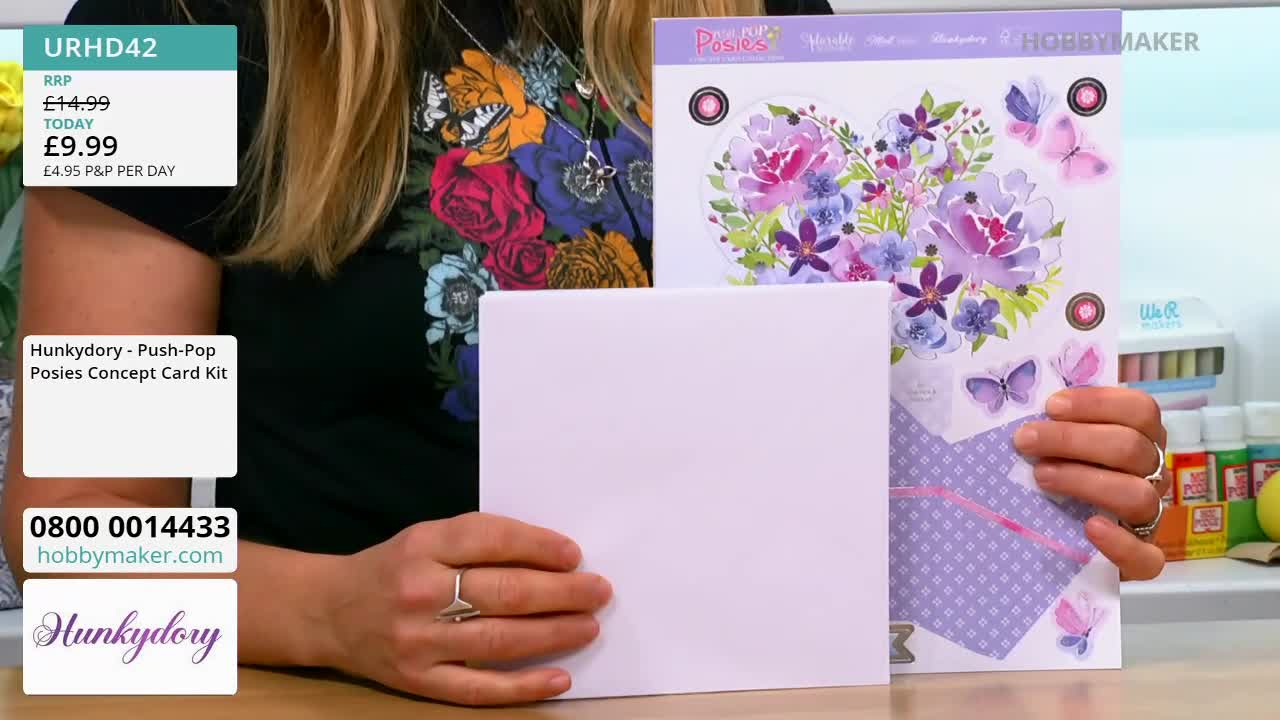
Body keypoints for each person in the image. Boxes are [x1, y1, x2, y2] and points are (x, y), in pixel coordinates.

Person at [1, 0, 1171, 706]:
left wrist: (1050, 470)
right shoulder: (153, 28)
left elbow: (863, 436)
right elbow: (62, 541)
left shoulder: (757, 7)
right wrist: (328, 614)